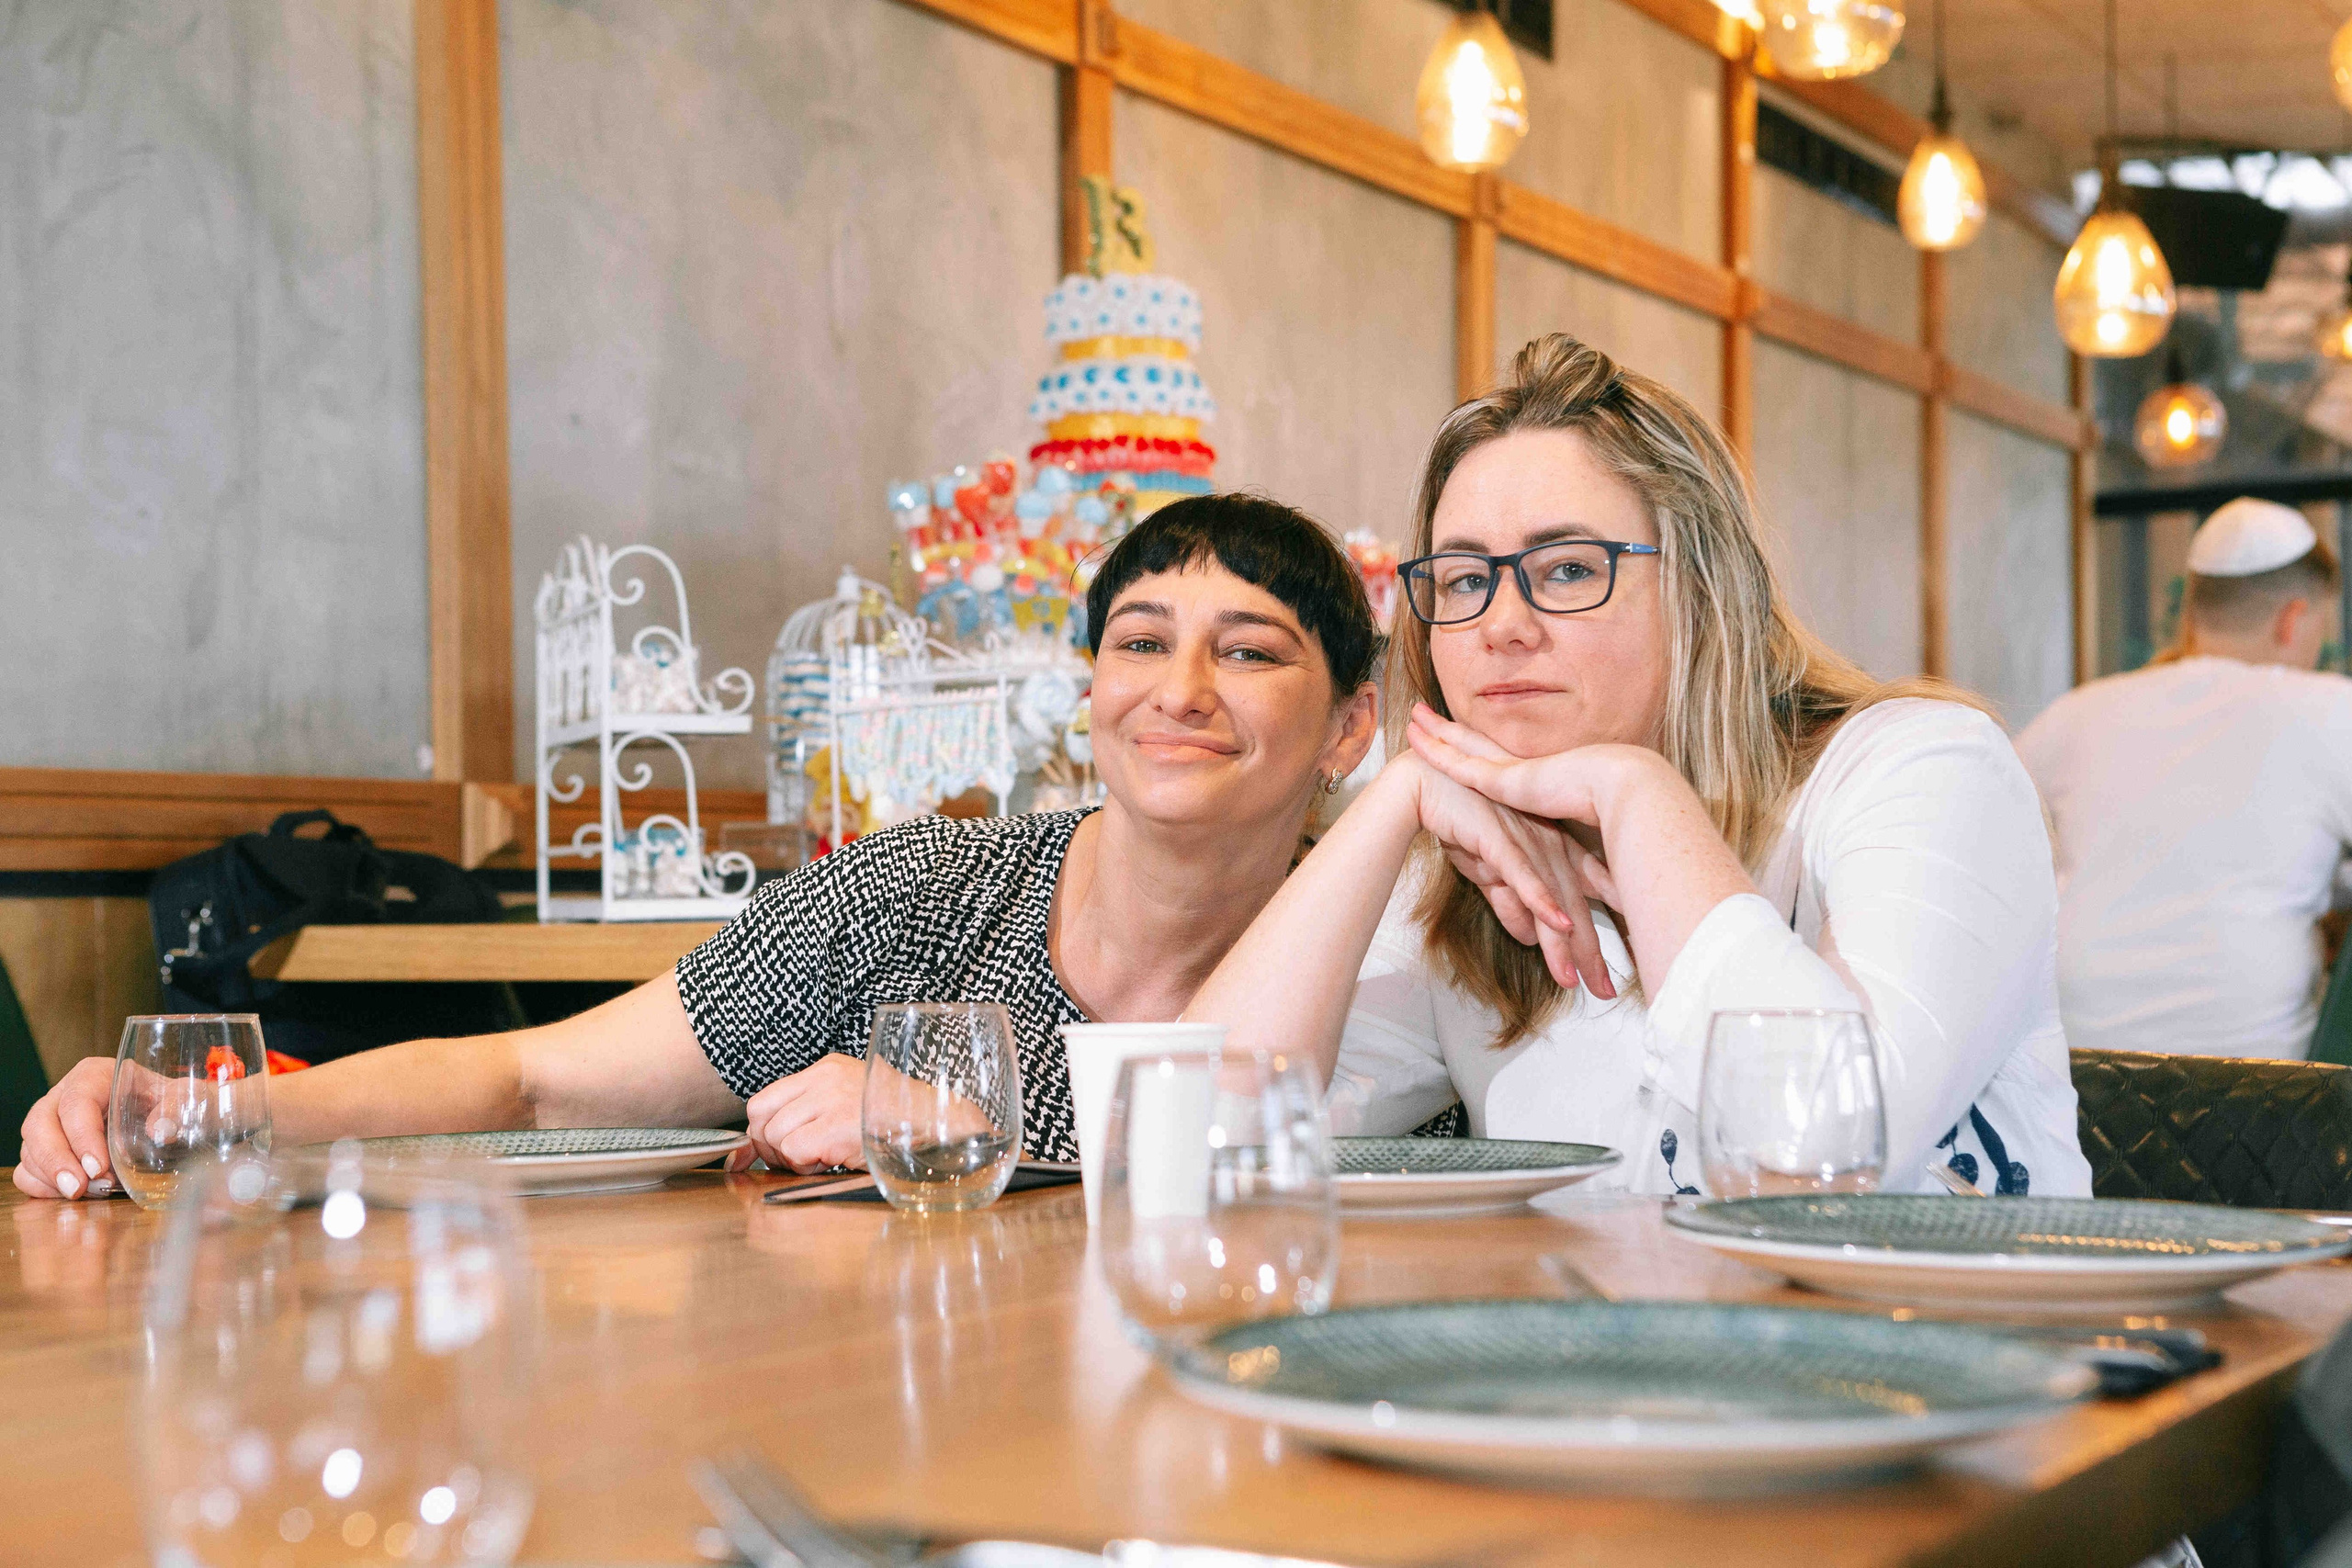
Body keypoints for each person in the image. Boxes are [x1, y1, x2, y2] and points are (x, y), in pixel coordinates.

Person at [14, 495, 1380, 1198]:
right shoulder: (910, 896)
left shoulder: (1406, 940)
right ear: (1088, 688)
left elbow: (1318, 1175)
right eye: (1139, 642)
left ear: (1348, 727)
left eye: (1250, 651)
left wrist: (975, 1133)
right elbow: (537, 1078)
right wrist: (216, 1111)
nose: (1181, 689)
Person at [1185, 333, 2091, 1198]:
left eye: (1570, 569)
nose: (1501, 624)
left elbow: (1821, 1156)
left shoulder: (1923, 769)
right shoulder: (1469, 878)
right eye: (1463, 581)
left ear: (1701, 588)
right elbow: (1191, 1141)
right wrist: (1396, 800)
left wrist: (1637, 795)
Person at [2016, 496, 2352, 1061]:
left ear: (2191, 615)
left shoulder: (2076, 713)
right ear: (2295, 619)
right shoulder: (2330, 709)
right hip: (2262, 1089)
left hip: (2072, 1072)